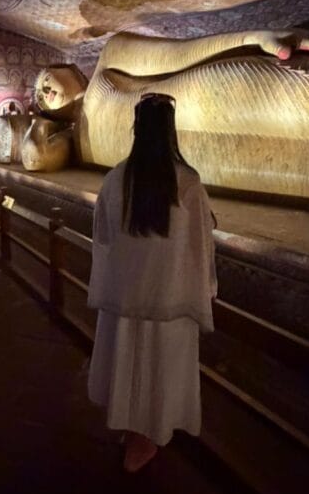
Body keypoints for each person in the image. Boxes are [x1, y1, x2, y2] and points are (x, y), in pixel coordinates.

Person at [87, 92, 217, 473]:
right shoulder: (187, 183)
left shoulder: (116, 179)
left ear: (136, 128)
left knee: (128, 362)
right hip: (168, 300)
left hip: (126, 298)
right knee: (159, 367)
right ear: (170, 131)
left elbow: (104, 236)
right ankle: (148, 435)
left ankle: (133, 429)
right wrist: (206, 286)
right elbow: (199, 246)